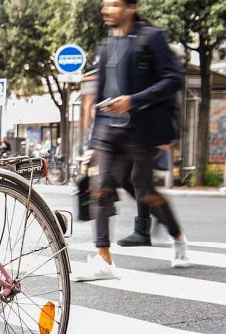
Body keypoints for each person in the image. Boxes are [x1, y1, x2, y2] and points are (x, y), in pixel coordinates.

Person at [73, 0, 189, 282]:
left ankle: (177, 237)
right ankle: (104, 260)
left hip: (140, 129)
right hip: (108, 132)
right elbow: (99, 98)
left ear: (130, 7)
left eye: (112, 4)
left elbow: (173, 79)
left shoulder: (151, 38)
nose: (105, 10)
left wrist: (132, 101)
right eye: (105, 4)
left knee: (144, 191)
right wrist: (91, 144)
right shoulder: (106, 46)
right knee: (99, 189)